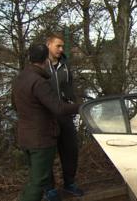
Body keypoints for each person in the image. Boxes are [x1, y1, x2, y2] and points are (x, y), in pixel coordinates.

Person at [12, 44, 81, 201]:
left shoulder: (20, 78)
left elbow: (14, 105)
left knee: (34, 179)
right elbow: (58, 108)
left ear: (30, 58)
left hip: (25, 137)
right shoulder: (39, 82)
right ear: (45, 59)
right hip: (40, 139)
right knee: (39, 183)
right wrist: (81, 107)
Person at [46, 33, 83, 196]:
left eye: (62, 46)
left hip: (65, 113)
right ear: (49, 45)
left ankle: (69, 183)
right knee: (47, 153)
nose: (61, 49)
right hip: (47, 116)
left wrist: (73, 104)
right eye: (58, 46)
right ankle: (50, 189)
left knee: (70, 150)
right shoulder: (40, 65)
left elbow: (69, 87)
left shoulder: (65, 65)